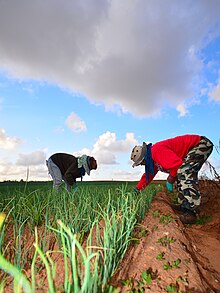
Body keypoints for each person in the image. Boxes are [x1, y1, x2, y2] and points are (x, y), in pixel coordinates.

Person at [130, 134, 213, 224]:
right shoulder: (153, 160)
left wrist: (170, 178)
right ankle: (184, 206)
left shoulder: (156, 151)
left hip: (201, 144)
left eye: (141, 163)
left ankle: (191, 212)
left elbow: (176, 165)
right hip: (195, 148)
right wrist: (137, 189)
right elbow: (148, 175)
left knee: (183, 171)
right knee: (180, 173)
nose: (142, 165)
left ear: (144, 158)